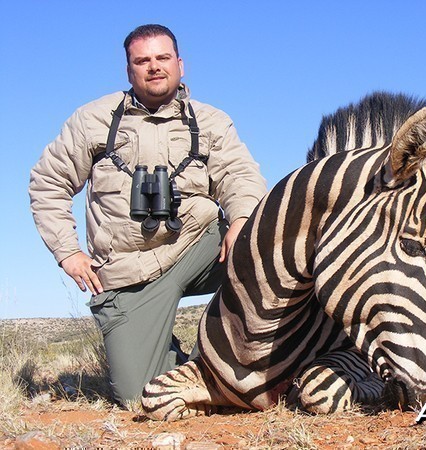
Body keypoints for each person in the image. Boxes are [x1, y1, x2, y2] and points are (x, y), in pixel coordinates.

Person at [29, 24, 267, 406]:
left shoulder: (210, 120)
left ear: (180, 64)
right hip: (128, 270)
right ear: (129, 71)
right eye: (142, 61)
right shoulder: (93, 119)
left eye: (162, 58)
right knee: (139, 395)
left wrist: (240, 221)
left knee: (269, 251)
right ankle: (193, 361)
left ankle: (287, 354)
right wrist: (68, 252)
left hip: (198, 244)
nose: (154, 67)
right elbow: (48, 182)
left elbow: (240, 176)